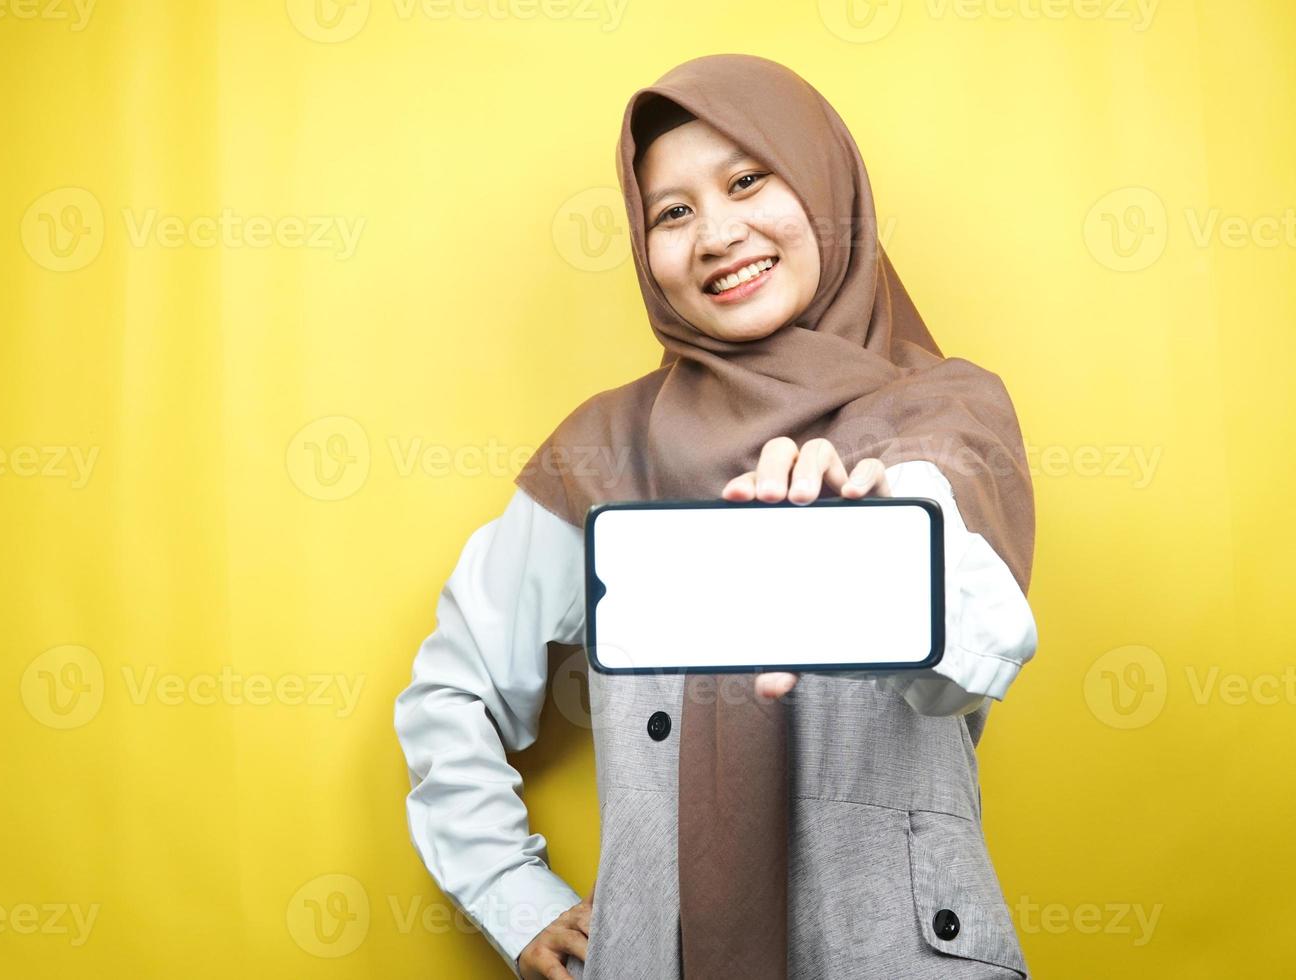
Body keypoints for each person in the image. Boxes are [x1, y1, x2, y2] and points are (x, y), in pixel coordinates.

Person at [394, 53, 1039, 979]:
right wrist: (511, 893)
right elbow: (451, 690)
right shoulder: (605, 448)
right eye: (673, 212)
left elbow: (978, 648)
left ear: (823, 186)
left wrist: (869, 535)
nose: (717, 235)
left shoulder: (943, 415)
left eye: (747, 180)